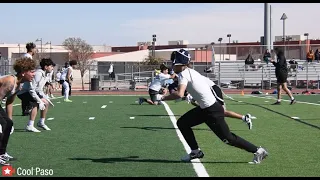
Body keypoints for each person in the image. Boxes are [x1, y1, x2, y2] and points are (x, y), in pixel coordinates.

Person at [160, 49, 268, 164]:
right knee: (182, 123)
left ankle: (258, 150)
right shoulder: (190, 72)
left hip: (211, 110)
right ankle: (195, 151)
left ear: (178, 63)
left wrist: (162, 98)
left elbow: (179, 94)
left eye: (173, 62)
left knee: (228, 139)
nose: (172, 65)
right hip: (205, 108)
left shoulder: (183, 75)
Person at [0, 57, 36, 165]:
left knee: (8, 124)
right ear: (24, 72)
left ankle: (2, 153)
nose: (33, 74)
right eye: (31, 71)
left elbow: (9, 102)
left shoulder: (18, 85)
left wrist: (10, 120)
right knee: (2, 125)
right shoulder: (10, 81)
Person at [188, 77, 253, 130]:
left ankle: (245, 118)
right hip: (208, 91)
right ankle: (244, 118)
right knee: (195, 103)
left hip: (213, 90)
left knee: (222, 111)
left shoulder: (190, 76)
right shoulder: (190, 75)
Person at [17, 58, 55, 132]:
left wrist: (45, 98)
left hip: (32, 92)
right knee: (36, 103)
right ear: (46, 67)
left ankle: (41, 122)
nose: (52, 67)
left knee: (46, 103)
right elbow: (31, 89)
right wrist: (39, 100)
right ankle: (30, 125)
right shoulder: (38, 74)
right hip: (24, 92)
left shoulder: (46, 75)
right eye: (51, 66)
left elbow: (39, 89)